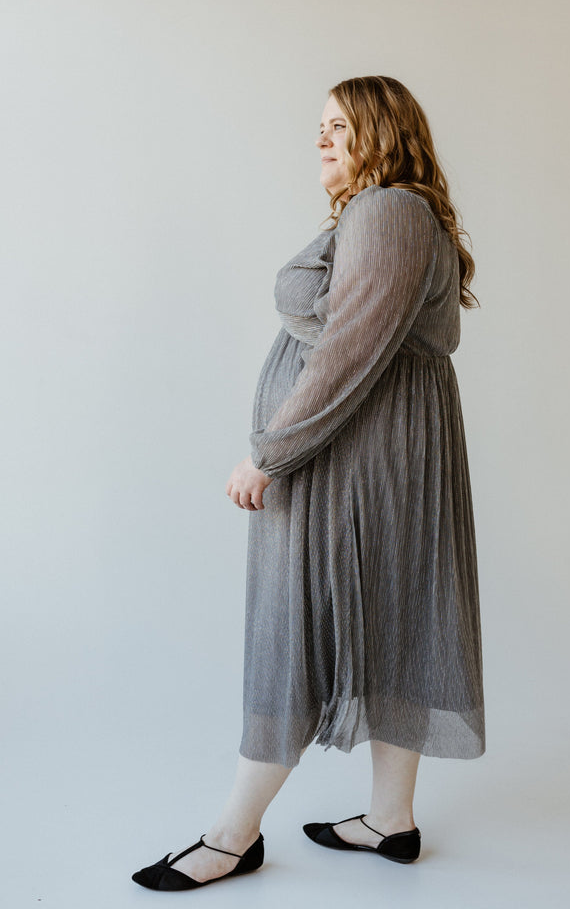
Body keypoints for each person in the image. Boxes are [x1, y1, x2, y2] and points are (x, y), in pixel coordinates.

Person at [132, 75, 485, 891]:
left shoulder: (389, 210)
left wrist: (269, 451)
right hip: (385, 452)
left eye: (338, 125)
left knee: (295, 630)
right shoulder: (391, 213)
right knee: (396, 613)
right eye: (318, 127)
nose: (321, 140)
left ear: (382, 131)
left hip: (355, 458)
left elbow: (349, 350)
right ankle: (390, 822)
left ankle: (232, 834)